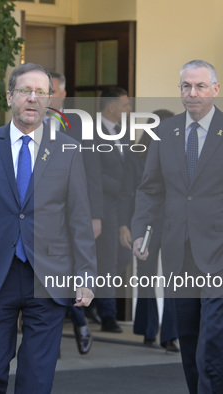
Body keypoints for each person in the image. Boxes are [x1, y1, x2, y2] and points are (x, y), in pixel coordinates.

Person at [0, 63, 97, 393]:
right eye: (25, 91)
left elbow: (79, 219)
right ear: (10, 96)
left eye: (41, 92)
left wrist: (87, 272)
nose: (33, 98)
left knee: (37, 379)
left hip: (49, 275)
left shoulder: (68, 150)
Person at [132, 60, 223, 393]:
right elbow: (150, 189)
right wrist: (141, 231)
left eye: (200, 86)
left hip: (222, 252)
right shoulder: (164, 132)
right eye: (186, 87)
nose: (192, 93)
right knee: (189, 339)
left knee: (212, 342)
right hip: (179, 252)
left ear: (215, 89)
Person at [47, 71, 103, 355]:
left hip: (73, 210)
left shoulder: (80, 124)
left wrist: (95, 215)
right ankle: (52, 341)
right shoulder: (27, 122)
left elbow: (93, 171)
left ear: (63, 94)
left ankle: (80, 322)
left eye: (51, 90)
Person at [120, 109, 179, 352]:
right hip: (145, 224)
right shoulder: (136, 156)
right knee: (145, 277)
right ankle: (148, 329)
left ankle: (170, 335)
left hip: (175, 225)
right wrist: (125, 224)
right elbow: (125, 193)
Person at [94, 86, 132, 333]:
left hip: (123, 206)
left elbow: (129, 167)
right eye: (125, 105)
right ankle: (108, 315)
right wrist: (118, 186)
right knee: (107, 259)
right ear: (112, 107)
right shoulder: (89, 133)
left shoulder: (123, 132)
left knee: (124, 256)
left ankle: (94, 298)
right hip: (102, 205)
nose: (129, 109)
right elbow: (91, 172)